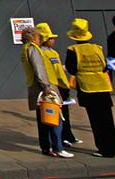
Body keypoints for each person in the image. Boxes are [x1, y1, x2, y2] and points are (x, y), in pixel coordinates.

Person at [65, 18, 115, 158]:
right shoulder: (97, 48)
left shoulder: (73, 50)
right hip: (103, 86)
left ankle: (102, 148)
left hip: (87, 87)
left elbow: (71, 69)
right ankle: (112, 147)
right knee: (107, 119)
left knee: (96, 120)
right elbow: (105, 66)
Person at [21, 26, 70, 158]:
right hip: (44, 89)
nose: (39, 39)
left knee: (43, 120)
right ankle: (58, 147)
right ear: (33, 38)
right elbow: (39, 69)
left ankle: (46, 148)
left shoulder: (26, 49)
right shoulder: (33, 49)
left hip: (37, 88)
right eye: (38, 37)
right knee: (54, 118)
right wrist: (47, 87)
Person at [37, 22, 81, 147]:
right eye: (51, 38)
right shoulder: (44, 53)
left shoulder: (53, 52)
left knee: (64, 115)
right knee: (55, 115)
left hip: (61, 86)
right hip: (55, 87)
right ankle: (58, 140)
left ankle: (67, 136)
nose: (53, 40)